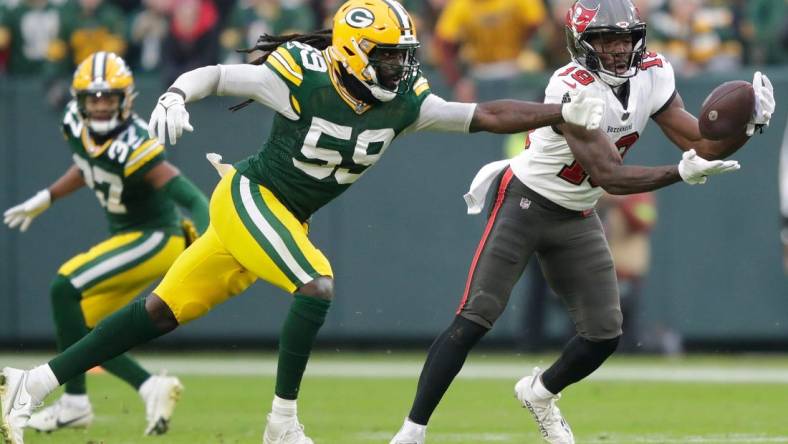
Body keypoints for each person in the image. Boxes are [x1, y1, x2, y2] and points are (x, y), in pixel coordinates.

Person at [0, 1, 608, 443]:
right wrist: (174, 95)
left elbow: (484, 112)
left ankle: (34, 383)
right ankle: (282, 425)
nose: (400, 67)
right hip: (248, 198)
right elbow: (214, 75)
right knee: (315, 285)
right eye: (388, 56)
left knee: (158, 313)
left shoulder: (404, 101)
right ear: (351, 51)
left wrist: (557, 111)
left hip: (284, 216)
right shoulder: (302, 75)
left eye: (404, 56)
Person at [389, 1, 775, 443]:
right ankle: (412, 430)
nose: (618, 49)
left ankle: (539, 392)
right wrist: (678, 173)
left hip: (577, 212)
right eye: (606, 40)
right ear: (581, 44)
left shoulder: (653, 71)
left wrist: (746, 128)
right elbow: (610, 174)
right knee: (475, 317)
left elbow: (699, 144)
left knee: (604, 334)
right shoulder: (569, 86)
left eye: (625, 38)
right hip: (526, 203)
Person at [2, 51, 209, 437]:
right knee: (84, 327)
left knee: (64, 286)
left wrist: (207, 239)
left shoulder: (135, 142)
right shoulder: (74, 126)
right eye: (93, 99)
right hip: (130, 236)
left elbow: (193, 197)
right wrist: (48, 197)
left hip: (156, 236)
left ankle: (75, 402)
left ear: (125, 99)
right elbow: (89, 166)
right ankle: (148, 387)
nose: (99, 107)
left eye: (108, 99)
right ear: (80, 101)